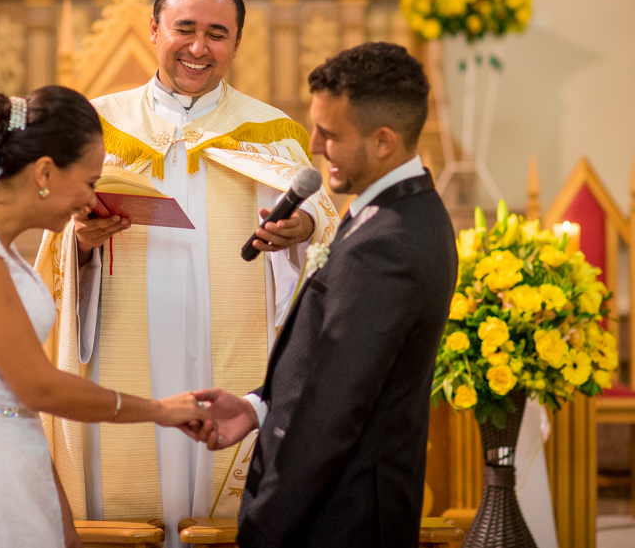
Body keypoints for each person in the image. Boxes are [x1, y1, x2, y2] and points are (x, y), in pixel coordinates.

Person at [36, 0, 338, 543]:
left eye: (218, 33)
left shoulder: (271, 134)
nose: (199, 47)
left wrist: (298, 231)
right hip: (121, 350)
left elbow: (324, 232)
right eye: (185, 28)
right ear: (154, 29)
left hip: (230, 358)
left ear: (238, 42)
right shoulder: (95, 126)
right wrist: (80, 244)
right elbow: (53, 246)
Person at [0, 86, 209, 548]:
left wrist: (57, 507)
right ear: (44, 171)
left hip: (13, 458)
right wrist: (159, 410)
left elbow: (15, 394)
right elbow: (36, 386)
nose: (91, 201)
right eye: (88, 182)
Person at [191, 43, 459, 547]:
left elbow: (335, 409)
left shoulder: (387, 246)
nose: (314, 145)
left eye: (330, 134)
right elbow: (333, 366)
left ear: (383, 141)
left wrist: (264, 525)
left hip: (340, 517)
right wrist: (258, 408)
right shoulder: (407, 211)